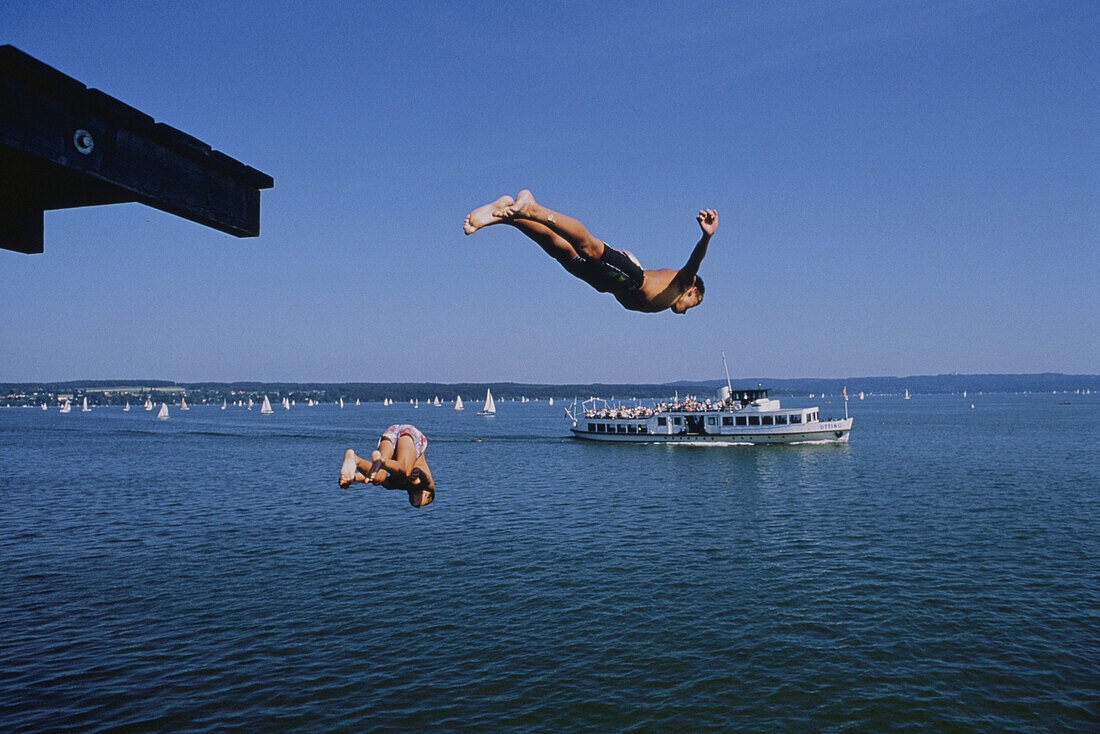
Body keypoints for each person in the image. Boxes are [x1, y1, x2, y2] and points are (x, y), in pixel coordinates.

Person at [463, 189, 716, 314]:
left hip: (610, 284)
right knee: (589, 247)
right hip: (631, 277)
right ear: (693, 290)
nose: (685, 310)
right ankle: (533, 208)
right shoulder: (685, 281)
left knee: (561, 251)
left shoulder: (672, 296)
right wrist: (706, 236)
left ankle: (506, 213)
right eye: (693, 304)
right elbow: (696, 261)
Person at [339, 424, 435, 507]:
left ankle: (356, 460)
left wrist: (352, 478)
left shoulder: (398, 484)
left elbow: (369, 478)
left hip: (390, 436)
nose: (417, 503)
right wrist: (418, 473)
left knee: (378, 478)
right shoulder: (428, 486)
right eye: (420, 501)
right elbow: (426, 478)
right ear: (427, 494)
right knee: (406, 471)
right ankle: (382, 461)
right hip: (409, 436)